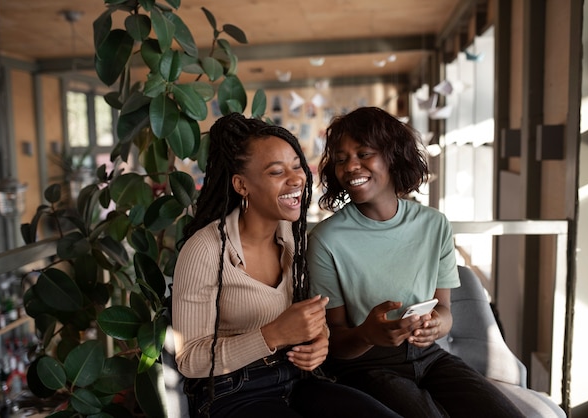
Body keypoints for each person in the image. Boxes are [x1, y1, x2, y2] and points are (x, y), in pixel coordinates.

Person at [172, 113, 401, 418]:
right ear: (242, 185)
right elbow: (190, 359)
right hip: (231, 393)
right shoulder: (205, 250)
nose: (296, 179)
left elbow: (308, 321)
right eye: (276, 171)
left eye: (297, 166)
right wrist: (271, 336)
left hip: (296, 380)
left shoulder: (294, 240)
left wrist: (320, 339)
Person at [307, 106, 524, 418]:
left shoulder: (434, 225)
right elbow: (334, 344)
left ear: (393, 156)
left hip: (430, 356)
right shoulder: (327, 239)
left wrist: (436, 326)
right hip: (365, 366)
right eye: (341, 159)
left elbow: (445, 310)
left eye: (364, 153)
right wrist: (368, 333)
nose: (350, 166)